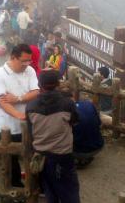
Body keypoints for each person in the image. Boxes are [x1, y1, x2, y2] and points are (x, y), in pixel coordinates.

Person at [25, 70, 80, 202]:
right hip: (63, 154)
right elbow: (75, 122)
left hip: (41, 156)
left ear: (40, 85)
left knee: (49, 190)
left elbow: (31, 130)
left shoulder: (31, 106)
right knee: (70, 191)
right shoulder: (67, 103)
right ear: (58, 84)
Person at [0, 44, 40, 187]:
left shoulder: (29, 70)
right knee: (11, 161)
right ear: (13, 57)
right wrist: (19, 115)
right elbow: (2, 102)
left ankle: (34, 184)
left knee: (31, 155)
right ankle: (15, 187)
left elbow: (35, 92)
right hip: (6, 127)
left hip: (26, 125)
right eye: (23, 61)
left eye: (29, 60)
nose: (27, 64)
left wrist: (18, 99)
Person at [70, 92, 104, 168]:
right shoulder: (88, 104)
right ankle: (85, 157)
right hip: (98, 146)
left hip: (79, 151)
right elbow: (99, 123)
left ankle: (79, 159)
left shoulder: (67, 111)